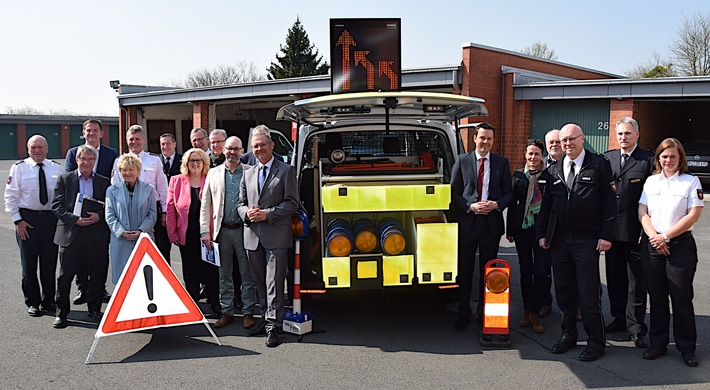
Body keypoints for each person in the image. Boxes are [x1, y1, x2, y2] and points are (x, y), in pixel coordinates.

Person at [536, 123, 616, 362]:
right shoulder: (554, 169)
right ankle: (568, 335)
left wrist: (606, 235)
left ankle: (596, 342)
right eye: (563, 141)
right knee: (564, 292)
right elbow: (547, 206)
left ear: (582, 139)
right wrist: (542, 234)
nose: (567, 144)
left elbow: (610, 204)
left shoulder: (599, 165)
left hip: (587, 240)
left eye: (572, 139)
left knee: (588, 294)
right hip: (560, 241)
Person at [638, 138, 703, 368]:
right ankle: (658, 343)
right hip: (653, 245)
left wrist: (666, 237)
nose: (668, 160)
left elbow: (693, 215)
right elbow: (642, 212)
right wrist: (655, 238)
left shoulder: (690, 182)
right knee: (656, 298)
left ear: (680, 158)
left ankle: (687, 348)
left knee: (681, 297)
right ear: (658, 159)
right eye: (664, 156)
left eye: (673, 156)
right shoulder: (651, 182)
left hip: (680, 247)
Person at [238, 129, 299, 347]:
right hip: (253, 236)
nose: (259, 149)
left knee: (274, 282)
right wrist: (247, 213)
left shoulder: (286, 171)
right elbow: (240, 204)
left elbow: (292, 203)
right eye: (255, 146)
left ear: (272, 145)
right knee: (259, 282)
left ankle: (274, 325)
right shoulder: (247, 173)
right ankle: (265, 319)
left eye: (263, 144)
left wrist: (268, 214)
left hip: (276, 236)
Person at [450, 122, 513, 331]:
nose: (486, 142)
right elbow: (453, 193)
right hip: (468, 223)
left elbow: (509, 194)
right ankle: (463, 312)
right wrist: (470, 206)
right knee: (465, 271)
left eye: (489, 139)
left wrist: (496, 204)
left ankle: (484, 313)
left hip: (490, 225)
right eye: (482, 138)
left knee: (488, 272)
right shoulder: (462, 161)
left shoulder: (502, 163)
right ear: (475, 138)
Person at [602, 117, 654, 348]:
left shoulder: (648, 160)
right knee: (615, 279)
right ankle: (619, 319)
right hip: (611, 232)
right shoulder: (607, 158)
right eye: (620, 133)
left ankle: (636, 327)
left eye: (628, 133)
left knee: (636, 282)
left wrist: (648, 228)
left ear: (637, 135)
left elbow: (653, 200)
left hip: (635, 232)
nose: (623, 137)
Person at [201, 137, 259, 329]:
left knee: (247, 273)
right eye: (228, 149)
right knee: (224, 274)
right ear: (223, 150)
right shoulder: (213, 173)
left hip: (245, 230)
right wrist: (204, 232)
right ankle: (227, 311)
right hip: (222, 231)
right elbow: (205, 205)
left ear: (242, 151)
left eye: (235, 149)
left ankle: (248, 312)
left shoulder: (251, 172)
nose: (231, 152)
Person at [51, 145, 110, 327]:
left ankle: (94, 310)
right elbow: (57, 206)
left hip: (95, 233)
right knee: (65, 276)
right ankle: (61, 314)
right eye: (83, 159)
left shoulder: (104, 182)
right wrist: (73, 219)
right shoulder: (64, 179)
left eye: (90, 159)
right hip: (71, 233)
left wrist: (99, 216)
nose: (86, 162)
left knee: (98, 274)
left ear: (95, 162)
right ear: (77, 160)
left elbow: (109, 206)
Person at [4, 135, 62, 317]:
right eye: (33, 147)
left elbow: (61, 196)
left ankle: (49, 301)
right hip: (27, 220)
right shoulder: (19, 168)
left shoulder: (56, 168)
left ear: (47, 149)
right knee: (28, 265)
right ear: (28, 149)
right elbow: (10, 197)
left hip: (50, 220)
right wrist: (17, 221)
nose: (37, 150)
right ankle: (33, 302)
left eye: (40, 147)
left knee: (49, 263)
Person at [64, 119, 117, 305]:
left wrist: (101, 214)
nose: (92, 133)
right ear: (83, 133)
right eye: (88, 130)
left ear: (102, 133)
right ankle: (82, 289)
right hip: (77, 213)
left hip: (100, 212)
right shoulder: (73, 153)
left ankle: (99, 289)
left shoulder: (111, 154)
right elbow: (68, 182)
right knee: (79, 256)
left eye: (95, 130)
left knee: (100, 255)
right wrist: (75, 214)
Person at [167, 148, 221, 318]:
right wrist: (173, 234)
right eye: (192, 161)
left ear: (204, 163)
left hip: (209, 234)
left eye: (198, 160)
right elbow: (170, 210)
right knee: (190, 271)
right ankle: (193, 306)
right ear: (186, 163)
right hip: (187, 233)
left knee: (211, 270)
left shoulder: (211, 179)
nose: (195, 164)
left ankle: (214, 304)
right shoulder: (176, 181)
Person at [506, 139, 551, 334]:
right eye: (530, 154)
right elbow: (513, 203)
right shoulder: (517, 176)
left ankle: (536, 311)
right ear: (525, 155)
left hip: (541, 231)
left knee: (541, 272)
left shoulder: (550, 175)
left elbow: (551, 206)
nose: (533, 157)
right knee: (525, 270)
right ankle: (527, 310)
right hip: (522, 228)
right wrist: (509, 230)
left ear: (543, 156)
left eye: (537, 154)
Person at [106, 154, 158, 284]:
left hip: (143, 239)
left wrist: (142, 231)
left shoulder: (149, 189)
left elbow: (152, 213)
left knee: (144, 279)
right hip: (121, 240)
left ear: (138, 170)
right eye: (124, 170)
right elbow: (109, 214)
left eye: (131, 169)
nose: (127, 173)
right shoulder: (111, 190)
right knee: (124, 280)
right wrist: (121, 231)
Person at [155, 133, 182, 263]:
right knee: (162, 247)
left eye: (168, 143)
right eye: (162, 144)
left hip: (180, 209)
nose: (165, 146)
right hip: (162, 210)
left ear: (174, 144)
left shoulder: (183, 161)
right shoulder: (156, 161)